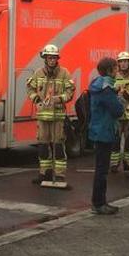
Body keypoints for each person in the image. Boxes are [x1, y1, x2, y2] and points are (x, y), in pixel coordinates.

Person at [27, 44, 75, 185]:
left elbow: (70, 91)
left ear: (57, 59)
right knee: (42, 147)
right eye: (49, 58)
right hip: (42, 117)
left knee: (58, 147)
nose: (52, 60)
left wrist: (60, 98)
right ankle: (44, 174)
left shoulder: (64, 73)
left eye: (54, 58)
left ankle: (59, 175)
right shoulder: (38, 73)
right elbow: (30, 87)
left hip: (58, 117)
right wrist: (35, 97)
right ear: (45, 58)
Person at [88, 58, 124, 214]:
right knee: (102, 170)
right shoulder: (106, 89)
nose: (117, 72)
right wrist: (119, 98)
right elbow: (117, 110)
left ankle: (99, 202)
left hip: (98, 129)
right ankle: (99, 203)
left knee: (101, 168)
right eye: (115, 69)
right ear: (109, 70)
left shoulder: (99, 85)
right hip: (104, 131)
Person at [111, 52, 129, 172]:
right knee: (115, 139)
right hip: (118, 114)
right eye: (121, 61)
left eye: (125, 61)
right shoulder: (115, 76)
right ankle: (114, 164)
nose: (123, 64)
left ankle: (128, 163)